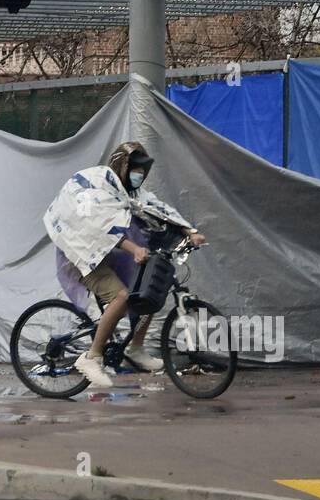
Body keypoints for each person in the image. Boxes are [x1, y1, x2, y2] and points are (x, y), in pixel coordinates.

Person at [42, 141, 206, 388]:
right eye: (135, 171)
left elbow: (155, 207)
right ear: (123, 166)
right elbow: (103, 225)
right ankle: (92, 357)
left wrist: (188, 230)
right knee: (121, 296)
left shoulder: (127, 191)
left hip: (105, 252)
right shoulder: (98, 186)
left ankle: (135, 348)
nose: (139, 176)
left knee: (149, 293)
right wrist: (134, 249)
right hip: (80, 254)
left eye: (142, 172)